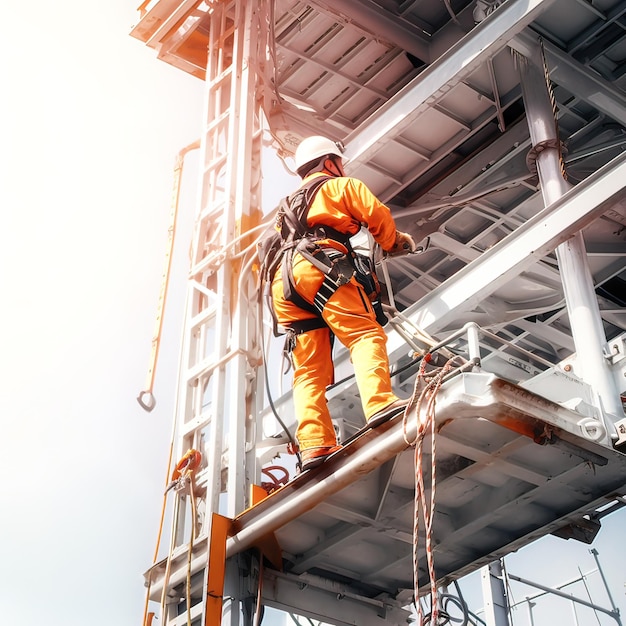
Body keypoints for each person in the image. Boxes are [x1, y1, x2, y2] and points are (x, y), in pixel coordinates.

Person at [271, 136, 417, 470]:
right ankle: (379, 404)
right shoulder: (340, 187)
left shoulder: (284, 210)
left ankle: (314, 446)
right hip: (322, 265)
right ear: (329, 163)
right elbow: (375, 214)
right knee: (365, 335)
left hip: (285, 284)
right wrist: (394, 242)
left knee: (308, 369)